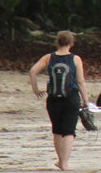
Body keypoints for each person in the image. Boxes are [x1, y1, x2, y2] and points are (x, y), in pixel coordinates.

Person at [29, 31, 91, 171]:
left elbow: (32, 72)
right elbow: (80, 81)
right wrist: (86, 100)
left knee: (57, 129)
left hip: (53, 98)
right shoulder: (75, 59)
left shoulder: (48, 58)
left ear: (57, 42)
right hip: (71, 97)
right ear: (72, 43)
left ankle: (60, 161)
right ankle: (64, 163)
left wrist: (36, 90)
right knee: (69, 130)